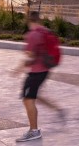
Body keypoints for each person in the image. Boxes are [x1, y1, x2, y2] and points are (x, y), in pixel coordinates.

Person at [16, 11, 64, 142]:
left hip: (36, 72)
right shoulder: (44, 31)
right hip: (44, 70)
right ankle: (56, 109)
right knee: (32, 97)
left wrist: (18, 68)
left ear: (29, 21)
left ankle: (34, 131)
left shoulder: (32, 35)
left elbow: (31, 56)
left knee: (28, 99)